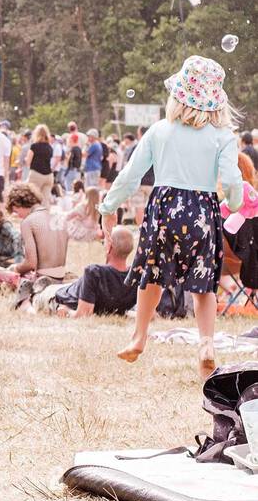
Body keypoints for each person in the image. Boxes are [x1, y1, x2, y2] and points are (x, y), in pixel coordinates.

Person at [100, 56, 244, 377]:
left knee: (151, 274)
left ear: (177, 94)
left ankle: (139, 336)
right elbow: (233, 180)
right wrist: (234, 203)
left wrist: (108, 208)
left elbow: (130, 176)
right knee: (203, 283)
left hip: (165, 208)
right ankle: (206, 343)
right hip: (203, 210)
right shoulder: (222, 135)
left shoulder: (159, 130)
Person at [32, 226, 185, 319]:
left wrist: (66, 312)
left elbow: (84, 314)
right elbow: (149, 315)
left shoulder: (94, 272)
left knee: (34, 294)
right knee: (67, 283)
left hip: (56, 298)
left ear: (110, 247)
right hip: (71, 289)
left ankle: (32, 293)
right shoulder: (137, 276)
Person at [4, 182, 70, 307]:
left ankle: (27, 301)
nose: (18, 216)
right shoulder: (58, 218)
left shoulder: (28, 222)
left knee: (14, 283)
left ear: (18, 204)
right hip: (61, 277)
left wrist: (15, 269)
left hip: (44, 278)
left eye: (16, 211)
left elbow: (31, 263)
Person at [23, 124, 54, 207]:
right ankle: (45, 214)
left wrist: (26, 160)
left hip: (36, 174)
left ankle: (34, 214)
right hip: (49, 176)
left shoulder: (34, 146)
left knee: (32, 198)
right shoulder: (50, 147)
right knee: (45, 200)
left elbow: (28, 161)